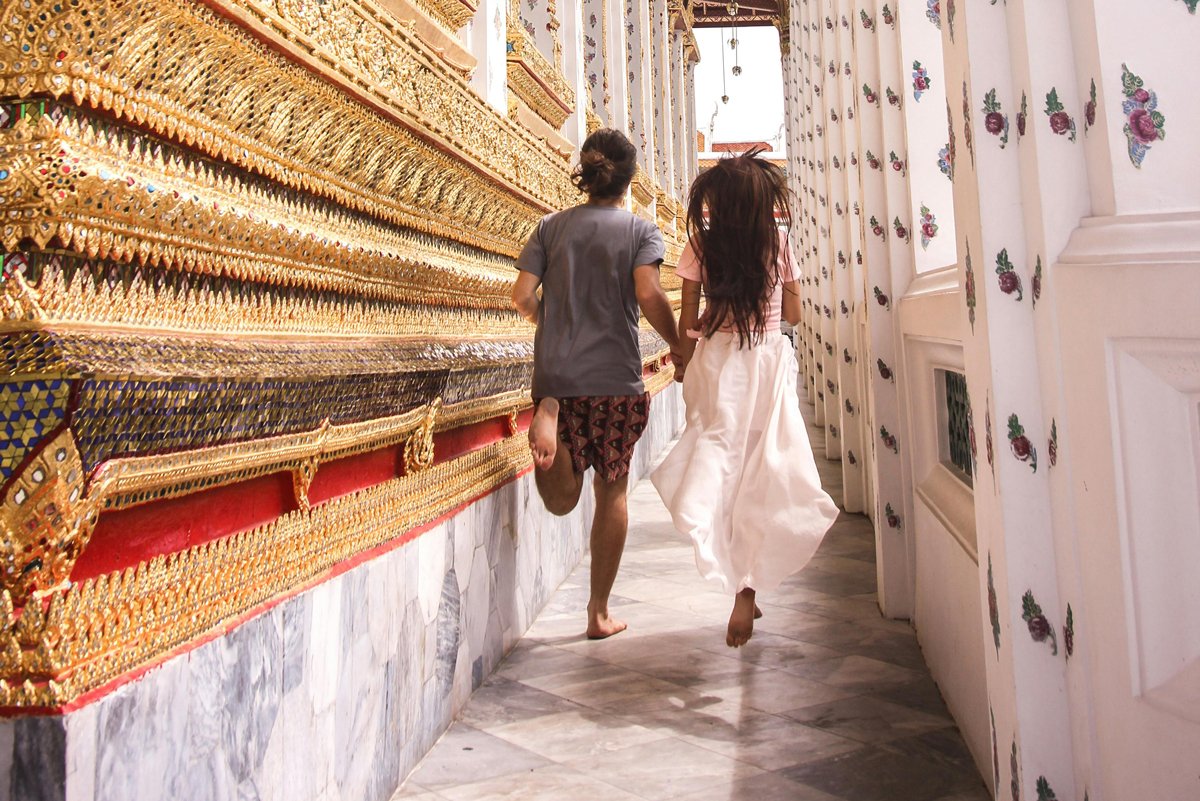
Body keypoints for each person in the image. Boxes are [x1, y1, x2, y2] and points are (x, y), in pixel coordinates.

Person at [651, 149, 840, 648]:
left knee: (723, 467)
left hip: (718, 363)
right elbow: (794, 315)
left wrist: (683, 361)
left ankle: (739, 581)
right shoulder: (778, 242)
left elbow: (689, 320)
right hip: (768, 360)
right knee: (768, 469)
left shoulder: (700, 246)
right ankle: (748, 587)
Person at [511, 128, 681, 639]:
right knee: (613, 492)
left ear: (585, 178)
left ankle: (549, 418)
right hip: (614, 379)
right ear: (629, 182)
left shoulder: (548, 228)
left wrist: (552, 323)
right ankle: (598, 612)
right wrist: (679, 343)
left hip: (557, 375)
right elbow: (649, 295)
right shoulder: (641, 232)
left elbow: (520, 295)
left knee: (562, 500)